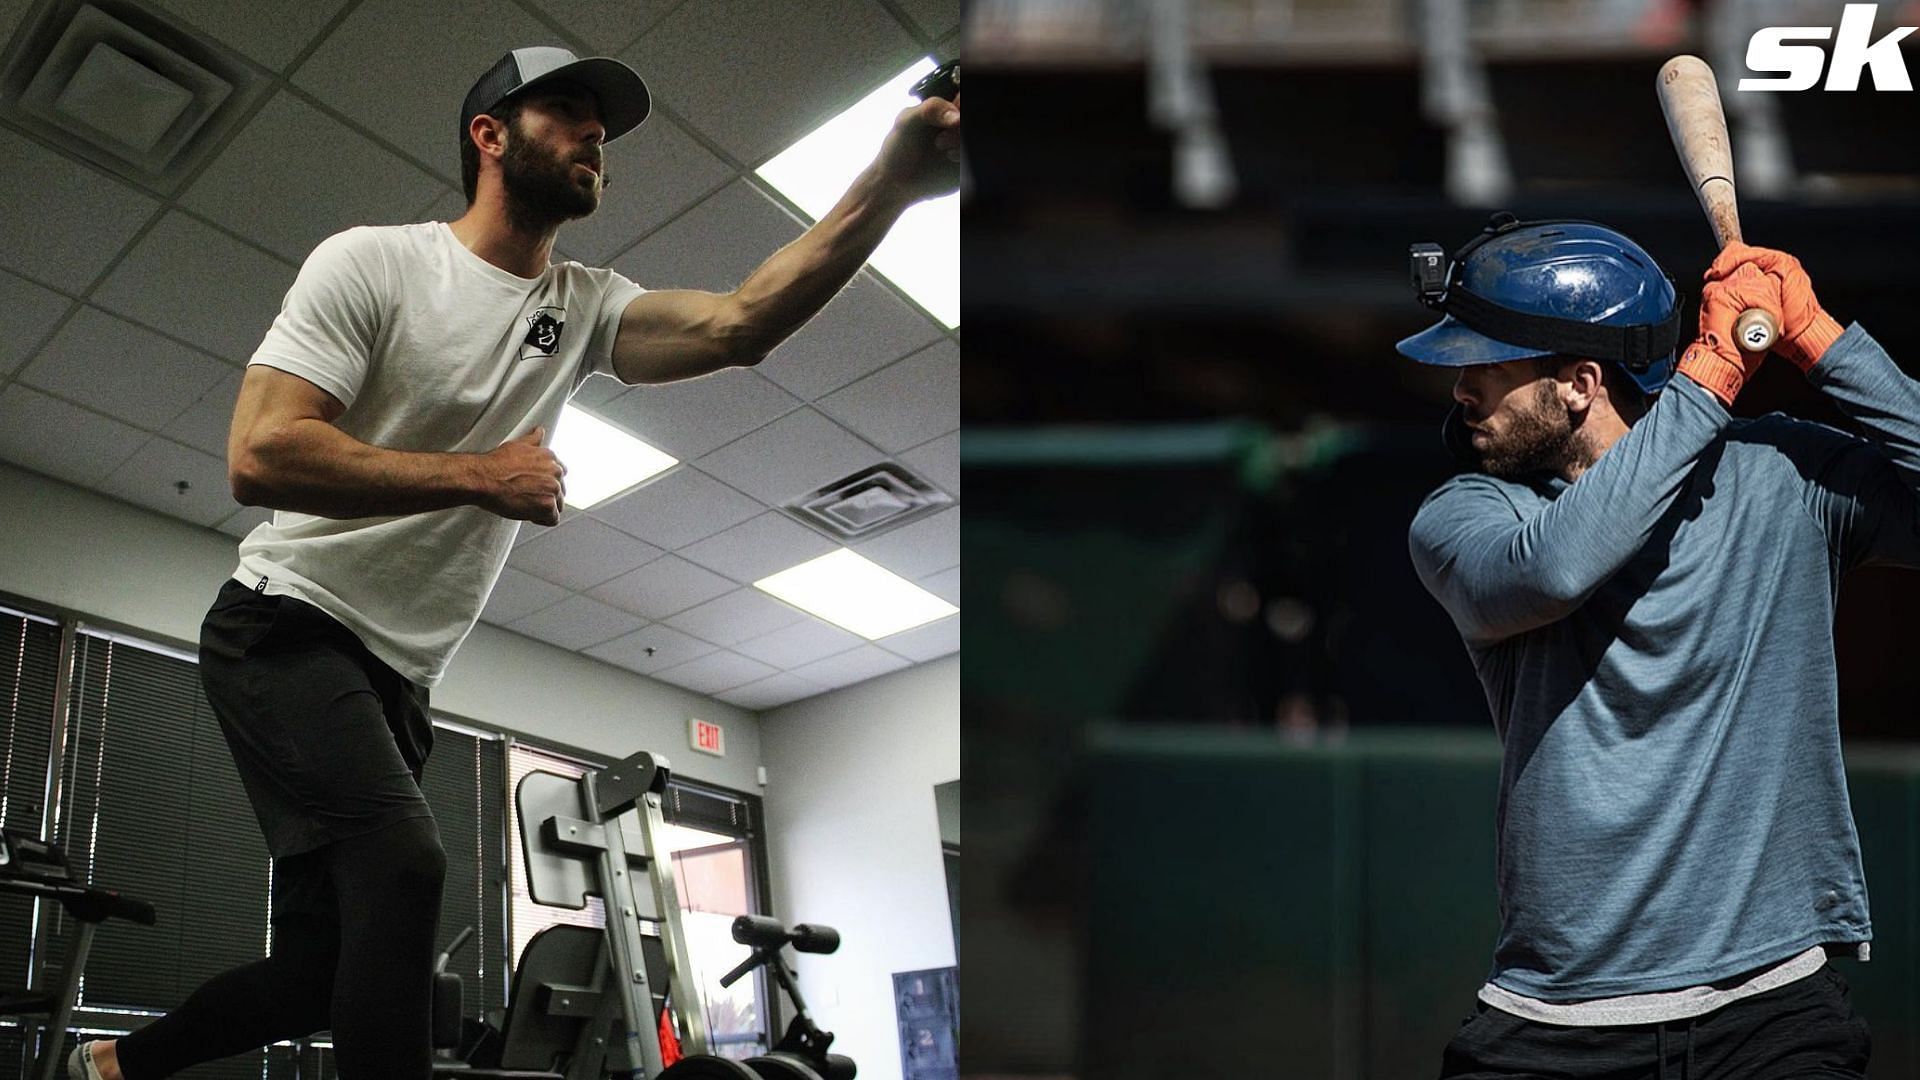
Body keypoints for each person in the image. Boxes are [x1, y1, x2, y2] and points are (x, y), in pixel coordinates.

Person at [68, 44, 960, 1080]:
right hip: (286, 623)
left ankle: (114, 1068)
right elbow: (260, 453)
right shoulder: (375, 262)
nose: (595, 137)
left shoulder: (581, 304)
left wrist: (894, 179)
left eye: (602, 128)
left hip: (397, 680)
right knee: (405, 864)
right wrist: (478, 475)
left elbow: (739, 324)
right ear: (490, 136)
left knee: (323, 969)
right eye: (568, 114)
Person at [1403, 214, 1903, 1077]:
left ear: (1580, 383)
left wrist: (1823, 342)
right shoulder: (1467, 516)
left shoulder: (1783, 477)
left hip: (1773, 1012)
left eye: (1485, 363)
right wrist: (1709, 381)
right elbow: (1554, 570)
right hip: (1555, 1020)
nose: (1460, 387)